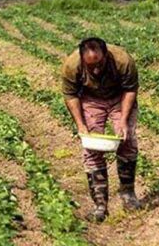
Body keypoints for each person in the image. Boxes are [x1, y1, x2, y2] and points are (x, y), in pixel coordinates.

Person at [61, 37, 142, 223]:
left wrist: (123, 120)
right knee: (91, 148)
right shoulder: (72, 66)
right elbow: (71, 95)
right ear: (82, 59)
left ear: (105, 55)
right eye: (90, 66)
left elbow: (130, 90)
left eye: (98, 63)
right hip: (91, 100)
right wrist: (80, 125)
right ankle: (100, 205)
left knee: (127, 140)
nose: (95, 69)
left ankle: (128, 193)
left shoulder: (123, 61)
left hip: (119, 97)